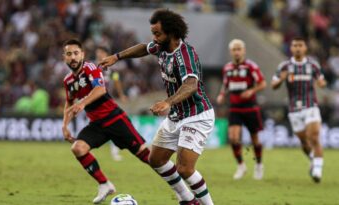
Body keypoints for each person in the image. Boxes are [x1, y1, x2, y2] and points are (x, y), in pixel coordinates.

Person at [99, 9, 214, 205]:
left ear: (172, 33)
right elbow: (144, 48)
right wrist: (117, 57)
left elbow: (191, 85)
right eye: (153, 32)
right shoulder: (161, 46)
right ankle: (188, 200)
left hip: (197, 115)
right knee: (156, 160)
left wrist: (167, 102)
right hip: (177, 115)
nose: (154, 38)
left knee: (185, 169)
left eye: (158, 33)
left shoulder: (184, 55)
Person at [61, 39, 150, 204]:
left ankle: (180, 188)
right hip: (97, 125)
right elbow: (69, 102)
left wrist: (83, 103)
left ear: (82, 55)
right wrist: (65, 125)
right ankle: (104, 184)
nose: (72, 57)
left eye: (75, 53)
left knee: (148, 158)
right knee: (78, 148)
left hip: (114, 118)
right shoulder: (68, 81)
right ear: (64, 57)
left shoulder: (90, 68)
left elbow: (100, 89)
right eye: (68, 54)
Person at [271, 37, 326, 183]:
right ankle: (313, 159)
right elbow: (273, 84)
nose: (297, 48)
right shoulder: (284, 66)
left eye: (300, 45)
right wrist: (281, 79)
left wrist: (321, 83)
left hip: (311, 106)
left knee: (313, 136)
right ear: (291, 48)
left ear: (305, 48)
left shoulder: (313, 65)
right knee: (304, 141)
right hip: (294, 109)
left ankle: (318, 171)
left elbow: (322, 80)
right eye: (295, 45)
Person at [216, 39, 266, 180]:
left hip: (250, 107)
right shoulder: (227, 68)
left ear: (243, 51)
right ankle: (241, 165)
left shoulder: (251, 66)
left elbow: (262, 83)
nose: (237, 52)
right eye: (234, 49)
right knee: (233, 138)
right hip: (235, 108)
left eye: (239, 49)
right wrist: (221, 95)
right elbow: (225, 84)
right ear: (231, 52)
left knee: (254, 139)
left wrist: (251, 91)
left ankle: (259, 165)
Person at [95, 46, 128, 161]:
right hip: (95, 102)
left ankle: (114, 152)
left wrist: (121, 94)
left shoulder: (112, 69)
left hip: (108, 101)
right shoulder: (94, 68)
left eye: (101, 52)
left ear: (106, 54)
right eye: (98, 52)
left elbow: (116, 81)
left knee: (115, 125)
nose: (99, 54)